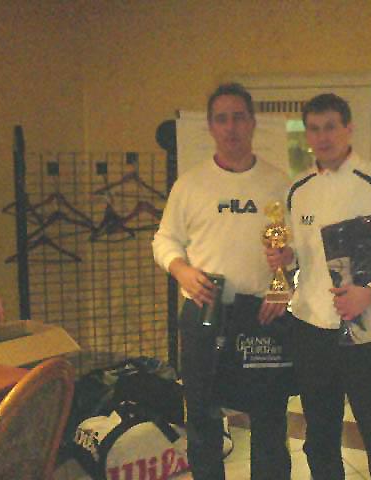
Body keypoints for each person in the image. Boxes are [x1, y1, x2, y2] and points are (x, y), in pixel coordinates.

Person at [266, 93, 371, 479]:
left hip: (370, 332)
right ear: (307, 134)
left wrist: (370, 292)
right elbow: (301, 257)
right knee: (320, 439)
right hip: (312, 332)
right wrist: (287, 258)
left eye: (331, 127)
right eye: (314, 129)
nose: (323, 137)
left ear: (348, 128)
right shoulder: (297, 189)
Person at [152, 83, 291, 480]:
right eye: (222, 119)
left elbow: (293, 248)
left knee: (269, 417)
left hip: (263, 314)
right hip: (204, 312)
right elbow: (164, 239)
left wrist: (282, 284)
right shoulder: (190, 185)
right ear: (211, 127)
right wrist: (181, 269)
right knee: (202, 415)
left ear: (253, 123)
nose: (231, 127)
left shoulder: (278, 184)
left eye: (239, 117)